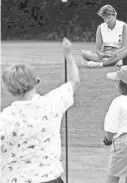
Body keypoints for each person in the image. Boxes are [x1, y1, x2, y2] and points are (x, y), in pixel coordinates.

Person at [0, 38, 79, 183]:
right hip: (51, 177)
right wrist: (68, 55)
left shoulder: (6, 118)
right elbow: (74, 81)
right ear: (36, 81)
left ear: (10, 89)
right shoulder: (52, 102)